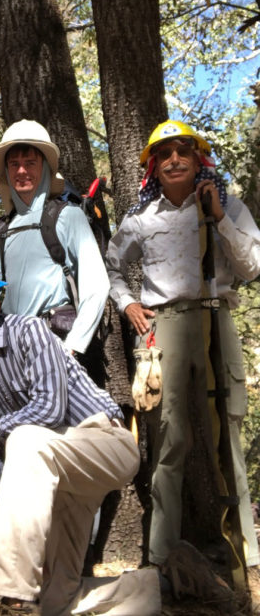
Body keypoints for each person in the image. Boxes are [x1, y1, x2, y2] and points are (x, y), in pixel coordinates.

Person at [0, 255, 160, 615]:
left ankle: (12, 598)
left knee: (24, 437)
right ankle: (157, 587)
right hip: (53, 472)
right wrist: (11, 520)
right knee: (57, 601)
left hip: (103, 443)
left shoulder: (29, 331)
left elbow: (50, 410)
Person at [105, 119, 260, 569]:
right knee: (168, 437)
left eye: (183, 152)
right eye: (165, 154)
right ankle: (160, 555)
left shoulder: (227, 205)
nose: (174, 160)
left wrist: (216, 218)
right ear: (154, 165)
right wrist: (128, 303)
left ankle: (246, 553)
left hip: (217, 317)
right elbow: (114, 266)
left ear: (198, 160)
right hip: (165, 326)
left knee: (227, 431)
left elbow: (251, 267)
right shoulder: (140, 218)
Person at [0, 120, 108, 386]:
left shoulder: (69, 216)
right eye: (14, 164)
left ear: (45, 169)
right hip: (14, 351)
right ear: (6, 171)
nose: (21, 170)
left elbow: (97, 285)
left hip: (61, 343)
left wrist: (72, 347)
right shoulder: (0, 230)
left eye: (30, 163)